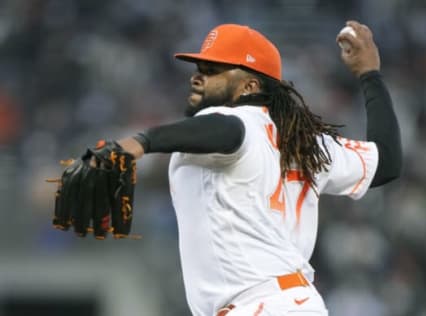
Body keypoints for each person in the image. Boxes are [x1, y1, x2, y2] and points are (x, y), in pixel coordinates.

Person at [115, 21, 401, 316]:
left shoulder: (236, 121)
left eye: (214, 70)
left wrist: (141, 142)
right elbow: (387, 162)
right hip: (288, 302)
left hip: (261, 305)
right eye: (200, 68)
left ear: (250, 86)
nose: (199, 78)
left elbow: (227, 130)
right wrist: (370, 76)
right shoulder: (307, 142)